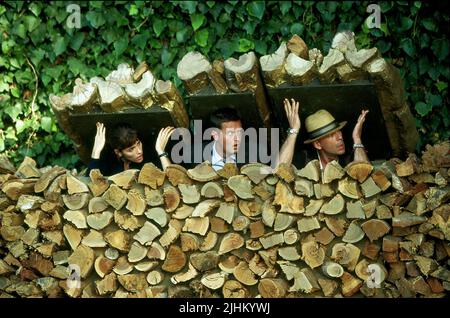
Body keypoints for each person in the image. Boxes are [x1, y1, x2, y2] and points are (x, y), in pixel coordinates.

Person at [158, 102, 301, 171]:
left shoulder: (254, 152)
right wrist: (161, 152)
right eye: (231, 133)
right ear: (215, 135)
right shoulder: (195, 154)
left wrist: (293, 131)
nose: (237, 138)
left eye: (239, 132)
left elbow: (279, 170)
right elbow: (174, 181)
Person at [283, 98, 369, 172]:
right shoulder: (304, 159)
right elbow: (278, 171)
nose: (340, 137)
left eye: (339, 131)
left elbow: (366, 175)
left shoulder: (350, 156)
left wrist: (357, 138)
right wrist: (293, 131)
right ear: (318, 144)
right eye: (331, 135)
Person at [86, 122, 175, 176]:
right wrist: (95, 153)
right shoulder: (110, 162)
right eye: (131, 150)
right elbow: (89, 183)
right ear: (118, 152)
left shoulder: (149, 153)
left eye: (138, 144)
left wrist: (161, 152)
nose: (139, 151)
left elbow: (173, 179)